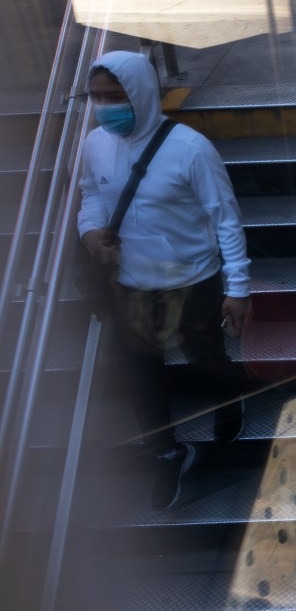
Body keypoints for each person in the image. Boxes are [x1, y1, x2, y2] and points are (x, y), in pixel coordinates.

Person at [78, 50, 252, 510]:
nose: (104, 106)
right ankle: (165, 451)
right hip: (131, 285)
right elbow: (91, 193)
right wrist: (91, 231)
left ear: (141, 93)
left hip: (191, 280)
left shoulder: (190, 148)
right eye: (96, 96)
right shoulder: (95, 143)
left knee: (205, 358)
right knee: (139, 371)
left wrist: (237, 288)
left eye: (114, 96)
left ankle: (228, 396)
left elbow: (226, 219)